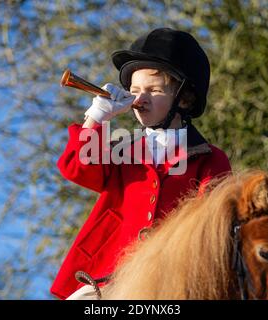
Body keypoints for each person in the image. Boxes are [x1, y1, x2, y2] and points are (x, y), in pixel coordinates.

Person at [51, 28, 231, 300]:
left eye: (153, 90)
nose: (139, 99)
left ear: (185, 98)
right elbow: (76, 166)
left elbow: (214, 228)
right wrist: (96, 117)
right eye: (134, 90)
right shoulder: (120, 150)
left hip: (174, 281)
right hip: (104, 279)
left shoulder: (211, 159)